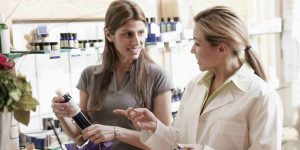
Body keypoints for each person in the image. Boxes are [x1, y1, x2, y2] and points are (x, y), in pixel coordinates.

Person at [114, 5, 283, 150]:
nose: (192, 50)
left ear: (222, 49)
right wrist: (156, 128)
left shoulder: (262, 97)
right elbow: (180, 142)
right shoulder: (196, 85)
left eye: (197, 43)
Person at [51, 0, 173, 149]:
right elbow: (82, 137)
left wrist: (116, 132)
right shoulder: (89, 75)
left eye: (140, 33)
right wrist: (62, 115)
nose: (137, 41)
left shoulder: (157, 76)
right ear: (109, 35)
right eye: (128, 34)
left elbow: (165, 142)